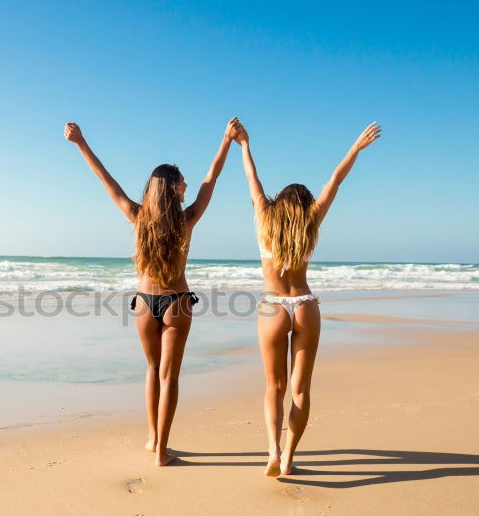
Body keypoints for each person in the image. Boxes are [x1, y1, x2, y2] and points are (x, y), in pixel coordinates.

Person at [64, 118, 242, 465]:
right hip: (176, 302)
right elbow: (212, 178)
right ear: (174, 188)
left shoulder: (137, 216)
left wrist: (81, 143)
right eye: (182, 181)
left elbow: (106, 180)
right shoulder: (187, 218)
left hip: (144, 303)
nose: (188, 184)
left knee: (151, 371)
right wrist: (225, 141)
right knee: (169, 376)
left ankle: (151, 440)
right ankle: (162, 450)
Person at [236, 121, 382, 476]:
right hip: (304, 305)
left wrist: (244, 145)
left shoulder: (264, 218)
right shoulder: (311, 221)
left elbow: (252, 181)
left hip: (272, 306)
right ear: (304, 206)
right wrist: (355, 149)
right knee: (300, 390)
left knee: (274, 386)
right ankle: (289, 457)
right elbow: (335, 181)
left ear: (279, 202)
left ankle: (272, 451)